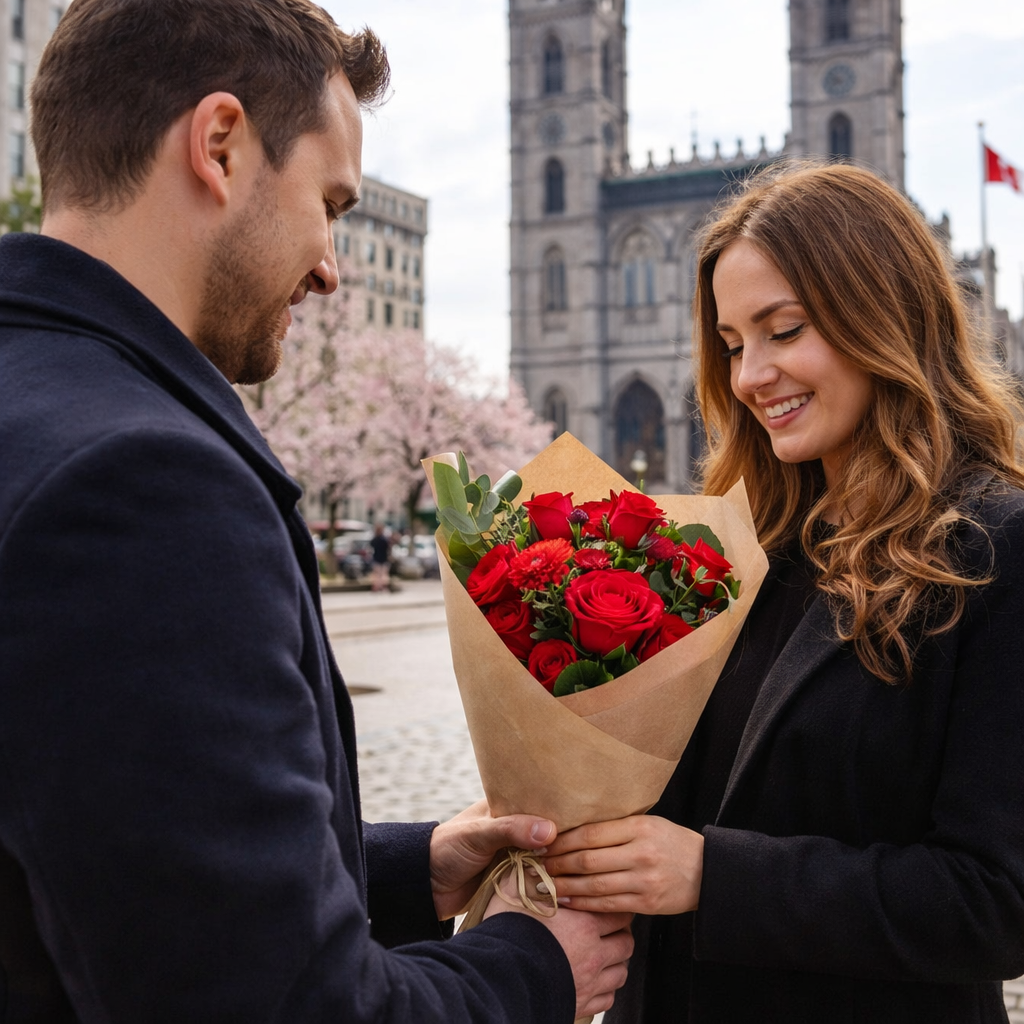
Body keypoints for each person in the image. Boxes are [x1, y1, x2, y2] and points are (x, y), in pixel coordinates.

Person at [0, 1, 633, 1020]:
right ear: (220, 145)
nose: (333, 267)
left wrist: (407, 867)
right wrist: (533, 965)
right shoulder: (141, 485)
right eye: (330, 204)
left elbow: (109, 854)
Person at [543, 163, 1024, 1022]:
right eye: (733, 344)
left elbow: (995, 903)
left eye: (784, 330)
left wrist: (714, 876)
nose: (749, 376)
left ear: (882, 312)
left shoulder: (995, 547)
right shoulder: (739, 548)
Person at [370, 523, 392, 591]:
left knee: (377, 574)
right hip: (383, 558)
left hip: (377, 558)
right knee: (382, 574)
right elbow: (388, 548)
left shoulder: (375, 539)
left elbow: (371, 545)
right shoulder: (384, 540)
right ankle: (382, 586)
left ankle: (377, 586)